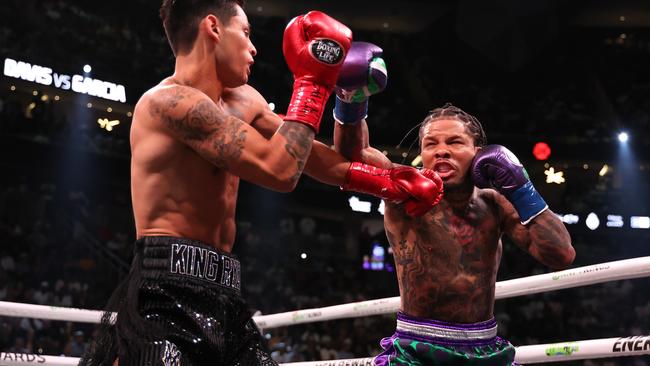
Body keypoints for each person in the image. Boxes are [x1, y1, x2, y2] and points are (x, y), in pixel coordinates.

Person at [81, 2, 442, 366]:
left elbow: (313, 157)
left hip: (226, 291)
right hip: (164, 288)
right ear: (213, 27)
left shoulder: (246, 100)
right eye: (247, 33)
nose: (254, 49)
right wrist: (313, 82)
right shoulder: (169, 103)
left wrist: (394, 180)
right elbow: (279, 169)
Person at [333, 42, 576, 365]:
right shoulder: (403, 189)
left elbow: (560, 254)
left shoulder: (496, 204)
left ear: (478, 150)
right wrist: (351, 99)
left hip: (485, 347)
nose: (441, 151)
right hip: (416, 349)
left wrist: (522, 188)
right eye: (431, 144)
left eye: (455, 142)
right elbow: (355, 155)